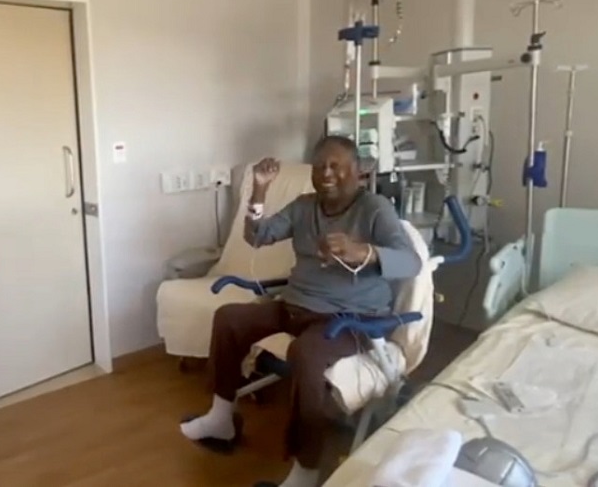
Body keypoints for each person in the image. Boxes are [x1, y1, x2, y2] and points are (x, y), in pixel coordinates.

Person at [179, 135, 422, 487]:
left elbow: (411, 263)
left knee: (306, 352)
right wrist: (259, 191)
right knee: (229, 318)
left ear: (358, 172)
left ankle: (306, 471)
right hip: (296, 305)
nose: (326, 173)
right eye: (320, 165)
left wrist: (364, 252)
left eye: (336, 166)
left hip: (349, 319)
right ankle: (221, 418)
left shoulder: (375, 209)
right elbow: (257, 236)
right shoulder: (304, 206)